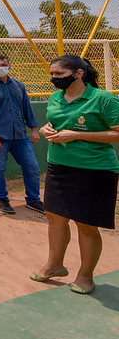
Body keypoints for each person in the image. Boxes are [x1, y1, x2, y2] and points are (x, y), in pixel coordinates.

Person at [31, 55, 119, 295]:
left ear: (79, 73)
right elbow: (55, 123)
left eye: (59, 74)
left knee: (86, 224)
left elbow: (117, 133)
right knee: (55, 216)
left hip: (95, 170)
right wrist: (46, 129)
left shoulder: (103, 99)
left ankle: (85, 275)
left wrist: (78, 135)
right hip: (59, 166)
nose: (53, 79)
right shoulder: (56, 97)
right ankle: (55, 265)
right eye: (51, 74)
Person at [0, 54, 43, 215]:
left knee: (32, 167)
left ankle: (33, 200)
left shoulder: (18, 86)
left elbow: (27, 108)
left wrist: (34, 128)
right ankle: (2, 199)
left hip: (20, 136)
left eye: (3, 64)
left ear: (9, 66)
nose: (0, 67)